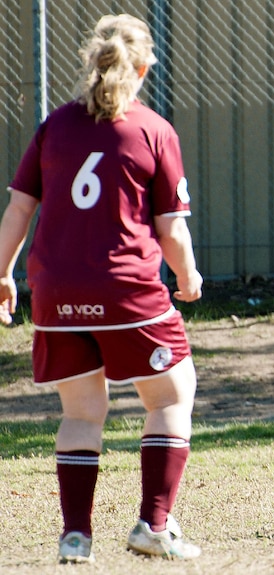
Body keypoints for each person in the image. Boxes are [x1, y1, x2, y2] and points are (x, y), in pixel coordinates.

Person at [0, 14, 203, 563]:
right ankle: (154, 527)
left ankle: (75, 537)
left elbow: (20, 207)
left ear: (92, 63)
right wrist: (187, 276)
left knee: (82, 413)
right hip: (125, 289)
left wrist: (1, 274)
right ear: (141, 69)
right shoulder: (154, 129)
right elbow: (171, 229)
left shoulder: (55, 126)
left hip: (55, 292)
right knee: (171, 394)